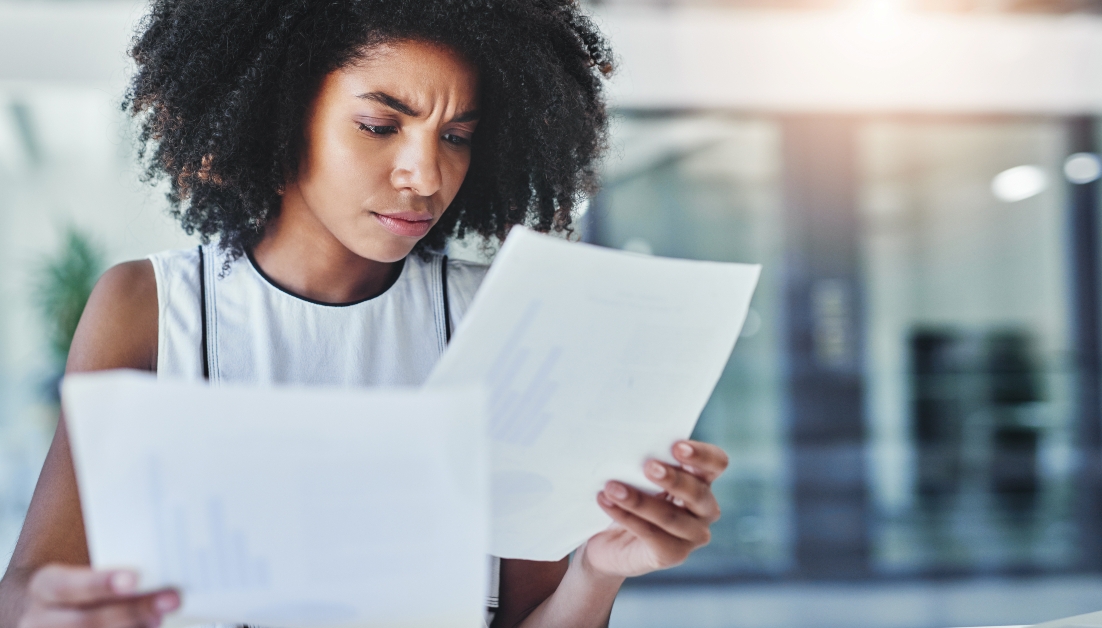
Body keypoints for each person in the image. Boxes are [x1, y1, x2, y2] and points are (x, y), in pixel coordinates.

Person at [0, 1, 730, 628]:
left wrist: (598, 571)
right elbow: (26, 596)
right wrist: (50, 608)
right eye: (381, 125)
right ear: (280, 118)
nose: (427, 173)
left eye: (456, 136)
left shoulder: (496, 315)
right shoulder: (148, 308)